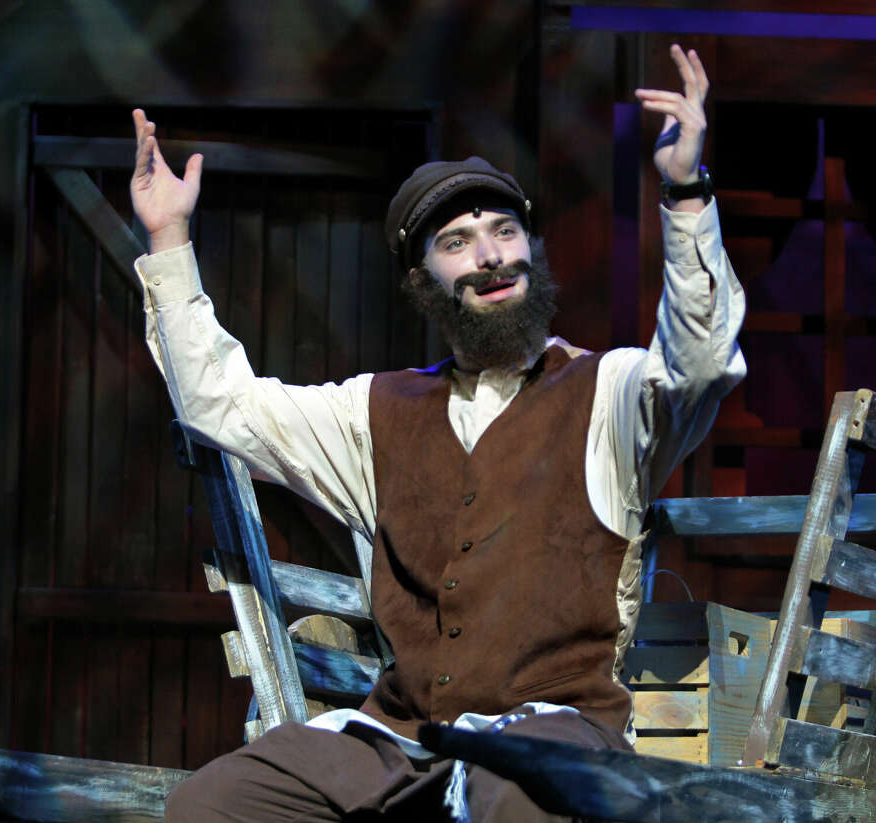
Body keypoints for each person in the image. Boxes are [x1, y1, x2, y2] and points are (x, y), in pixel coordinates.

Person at [131, 44, 745, 823]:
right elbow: (220, 401)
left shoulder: (613, 393)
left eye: (503, 231)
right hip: (402, 736)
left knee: (513, 795)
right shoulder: (376, 411)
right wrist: (169, 239)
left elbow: (702, 363)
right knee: (213, 803)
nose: (491, 256)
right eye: (457, 243)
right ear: (425, 282)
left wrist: (686, 192)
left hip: (554, 735)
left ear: (531, 249)